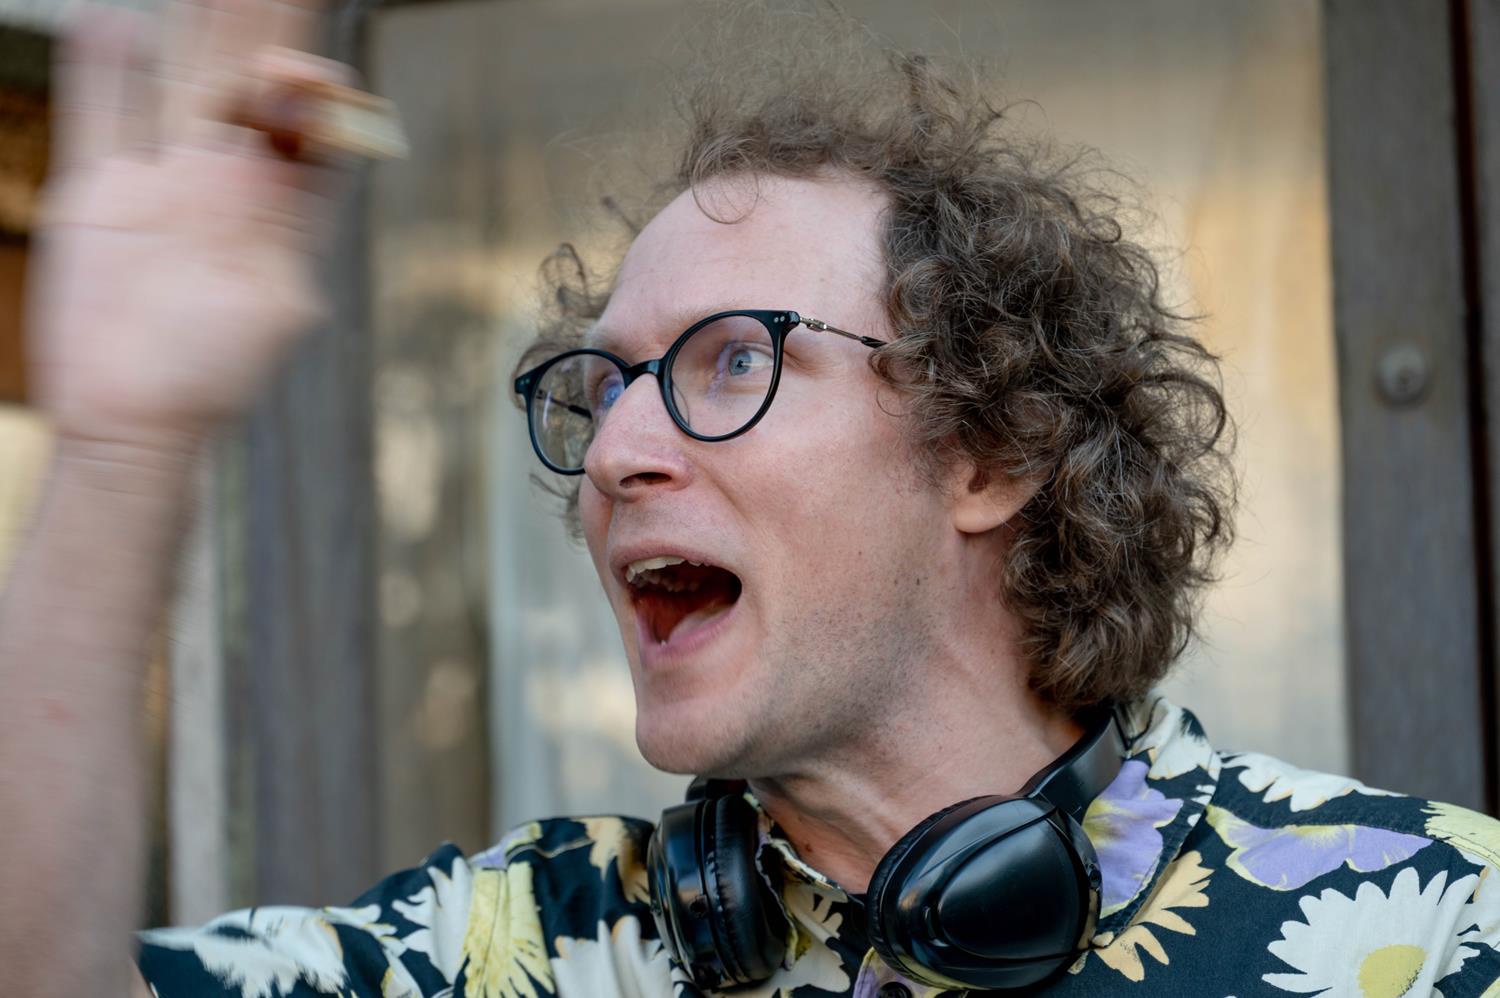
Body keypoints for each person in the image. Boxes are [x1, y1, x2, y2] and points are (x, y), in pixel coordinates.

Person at [4, 2, 1500, 996]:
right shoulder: (522, 949)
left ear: (990, 455)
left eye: (733, 360)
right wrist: (126, 440)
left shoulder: (1434, 926)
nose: (614, 452)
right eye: (603, 387)